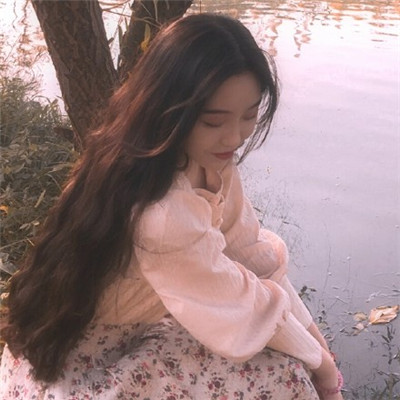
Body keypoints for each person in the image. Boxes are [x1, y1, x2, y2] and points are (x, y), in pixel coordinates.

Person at [0, 13, 344, 400]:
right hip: (80, 364)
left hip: (137, 326)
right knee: (284, 376)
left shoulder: (201, 157)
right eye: (213, 122)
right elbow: (246, 307)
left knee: (288, 357)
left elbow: (251, 257)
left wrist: (319, 350)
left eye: (249, 115)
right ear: (170, 109)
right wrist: (322, 368)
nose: (234, 137)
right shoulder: (163, 213)